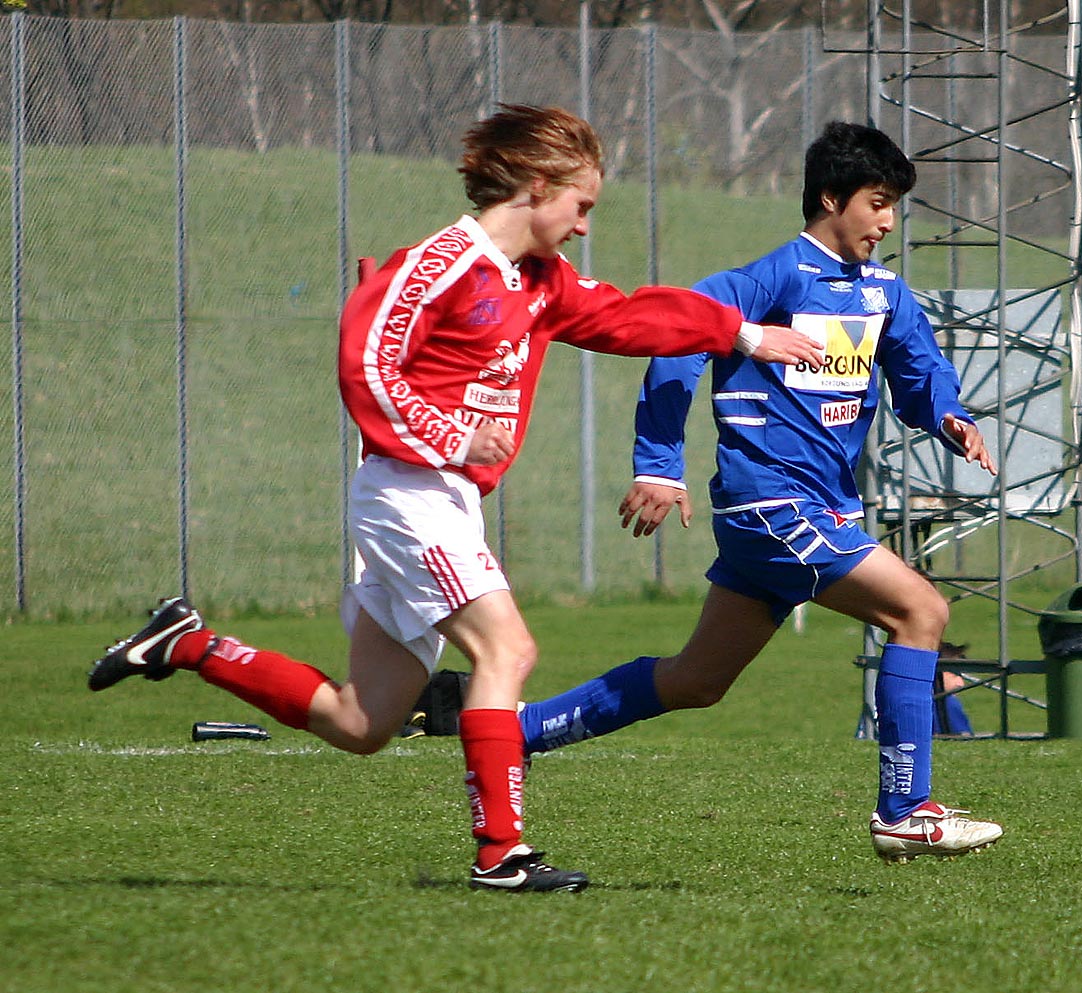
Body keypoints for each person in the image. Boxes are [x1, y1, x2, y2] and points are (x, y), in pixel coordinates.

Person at [86, 104, 822, 894]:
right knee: (508, 651)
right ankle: (500, 853)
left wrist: (739, 334)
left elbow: (624, 313)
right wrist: (449, 436)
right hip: (410, 493)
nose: (582, 228)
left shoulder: (539, 281)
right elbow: (366, 363)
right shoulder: (440, 262)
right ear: (538, 187)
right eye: (581, 206)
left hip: (441, 500)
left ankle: (186, 643)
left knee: (361, 721)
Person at [517, 121, 1005, 864]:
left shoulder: (883, 294)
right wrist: (658, 463)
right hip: (771, 505)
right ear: (831, 198)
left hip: (816, 509)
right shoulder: (766, 281)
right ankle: (905, 809)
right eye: (878, 202)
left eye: (895, 205)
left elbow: (919, 369)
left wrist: (950, 416)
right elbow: (677, 341)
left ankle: (515, 733)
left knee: (696, 680)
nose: (888, 221)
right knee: (921, 608)